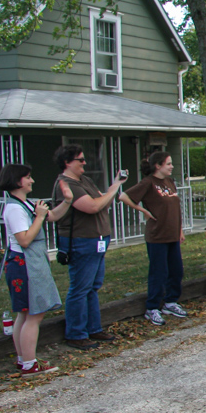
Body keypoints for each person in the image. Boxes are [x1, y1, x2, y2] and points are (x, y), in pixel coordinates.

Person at [0, 164, 72, 376]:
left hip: (29, 264)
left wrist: (67, 201)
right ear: (17, 181)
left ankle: (25, 360)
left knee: (25, 312)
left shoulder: (24, 204)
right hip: (25, 265)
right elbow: (25, 239)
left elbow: (52, 216)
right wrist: (39, 217)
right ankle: (30, 364)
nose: (32, 181)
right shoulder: (14, 209)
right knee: (34, 315)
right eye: (28, 178)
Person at [52, 144, 125, 350]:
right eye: (80, 160)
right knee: (80, 288)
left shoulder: (84, 180)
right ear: (67, 162)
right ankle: (76, 333)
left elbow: (102, 201)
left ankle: (93, 328)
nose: (85, 163)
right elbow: (93, 206)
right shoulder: (66, 184)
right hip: (81, 241)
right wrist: (111, 192)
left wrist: (115, 185)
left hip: (97, 240)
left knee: (93, 287)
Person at [118, 152, 189, 326]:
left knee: (176, 270)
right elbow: (123, 196)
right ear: (158, 166)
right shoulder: (148, 183)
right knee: (159, 272)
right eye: (168, 164)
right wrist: (144, 211)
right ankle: (152, 308)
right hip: (157, 235)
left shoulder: (170, 182)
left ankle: (170, 302)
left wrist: (179, 230)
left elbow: (175, 208)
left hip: (172, 234)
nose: (172, 166)